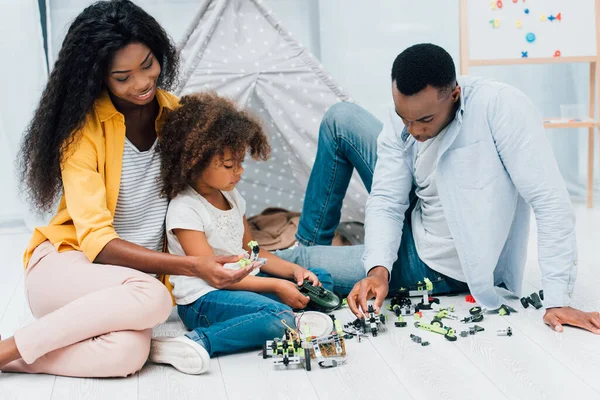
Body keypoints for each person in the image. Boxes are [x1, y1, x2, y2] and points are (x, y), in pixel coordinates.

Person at [0, 0, 254, 378]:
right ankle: (5, 349)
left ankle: (25, 358)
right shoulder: (81, 132)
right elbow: (99, 244)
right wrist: (191, 264)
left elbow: (209, 189)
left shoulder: (180, 119)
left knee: (126, 354)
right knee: (153, 298)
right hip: (65, 269)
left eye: (148, 64)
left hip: (127, 291)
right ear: (97, 77)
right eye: (122, 77)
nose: (142, 83)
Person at [294, 43, 600, 334]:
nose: (413, 131)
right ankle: (311, 249)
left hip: (440, 261)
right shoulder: (409, 116)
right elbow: (387, 198)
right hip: (421, 210)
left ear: (454, 94)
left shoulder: (501, 108)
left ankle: (307, 262)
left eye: (424, 120)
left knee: (292, 265)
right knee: (341, 118)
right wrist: (377, 270)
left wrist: (558, 299)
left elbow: (550, 201)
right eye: (405, 120)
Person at [148, 93, 332, 374]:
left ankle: (293, 315)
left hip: (244, 283)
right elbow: (217, 277)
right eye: (229, 165)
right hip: (204, 299)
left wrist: (293, 271)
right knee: (276, 314)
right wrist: (275, 286)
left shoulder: (232, 196)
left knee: (318, 279)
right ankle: (195, 341)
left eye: (240, 162)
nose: (240, 171)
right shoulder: (185, 209)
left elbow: (253, 251)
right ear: (194, 161)